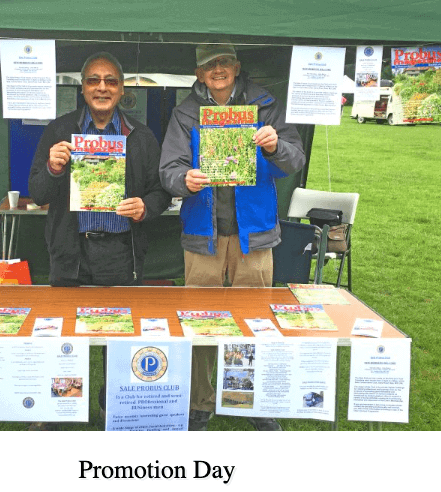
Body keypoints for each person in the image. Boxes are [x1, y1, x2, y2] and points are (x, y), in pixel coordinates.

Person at [159, 42, 306, 431]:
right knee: (201, 322)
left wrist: (274, 146)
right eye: (209, 65)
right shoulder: (185, 112)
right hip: (202, 233)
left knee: (253, 320)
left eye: (224, 62)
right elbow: (169, 168)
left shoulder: (266, 104)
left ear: (237, 67)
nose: (217, 69)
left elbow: (294, 159)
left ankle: (250, 400)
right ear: (198, 73)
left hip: (253, 233)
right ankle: (201, 401)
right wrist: (183, 180)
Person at [28, 52, 171, 428]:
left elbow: (160, 193)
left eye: (110, 80)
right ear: (83, 87)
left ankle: (113, 410)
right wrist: (54, 167)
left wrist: (145, 207)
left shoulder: (139, 136)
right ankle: (60, 412)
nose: (102, 87)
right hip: (71, 250)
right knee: (65, 338)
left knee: (117, 340)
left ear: (122, 89)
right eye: (94, 80)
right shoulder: (59, 131)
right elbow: (38, 192)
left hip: (121, 253)